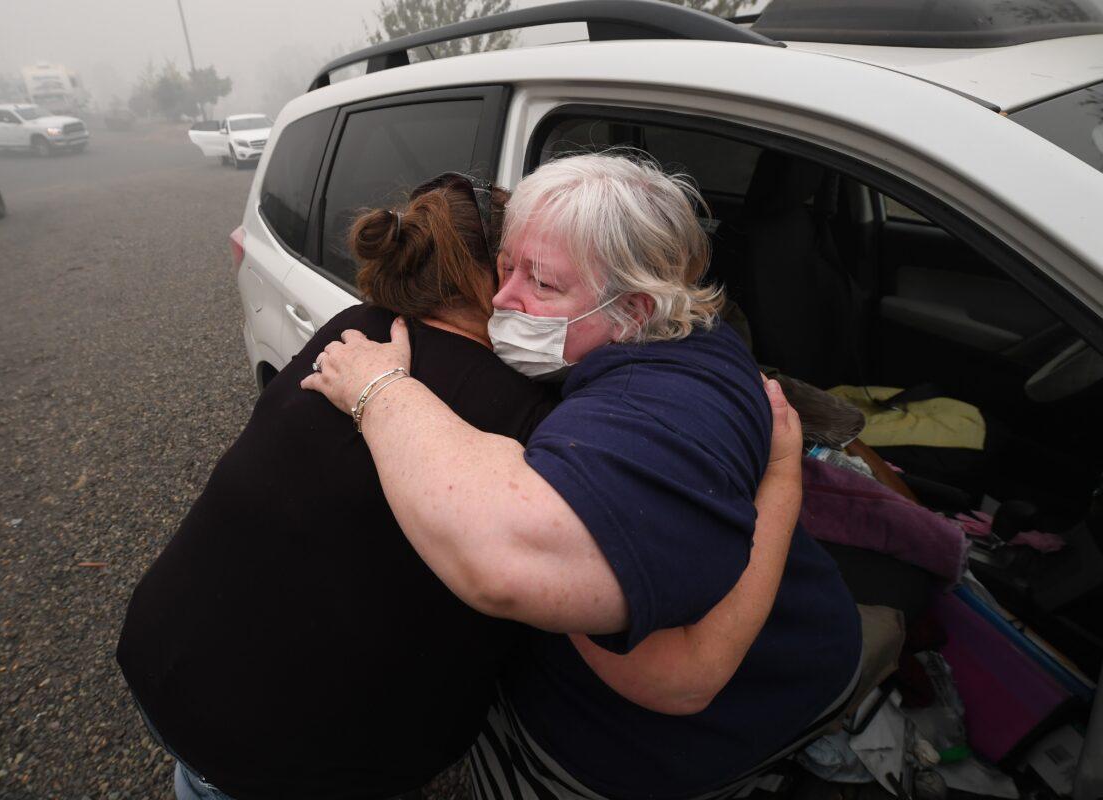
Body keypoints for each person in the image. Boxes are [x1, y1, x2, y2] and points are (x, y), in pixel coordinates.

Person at [117, 170, 805, 800]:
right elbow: (669, 669)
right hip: (280, 758)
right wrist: (780, 477)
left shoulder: (354, 329)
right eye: (510, 270)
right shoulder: (526, 423)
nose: (512, 298)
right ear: (480, 274)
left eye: (539, 280)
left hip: (165, 647)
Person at [302, 153, 864, 799]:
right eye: (504, 267)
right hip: (791, 665)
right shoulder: (680, 333)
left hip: (672, 745)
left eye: (541, 285)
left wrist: (381, 388)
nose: (499, 301)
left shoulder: (655, 406)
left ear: (634, 307)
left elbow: (672, 672)